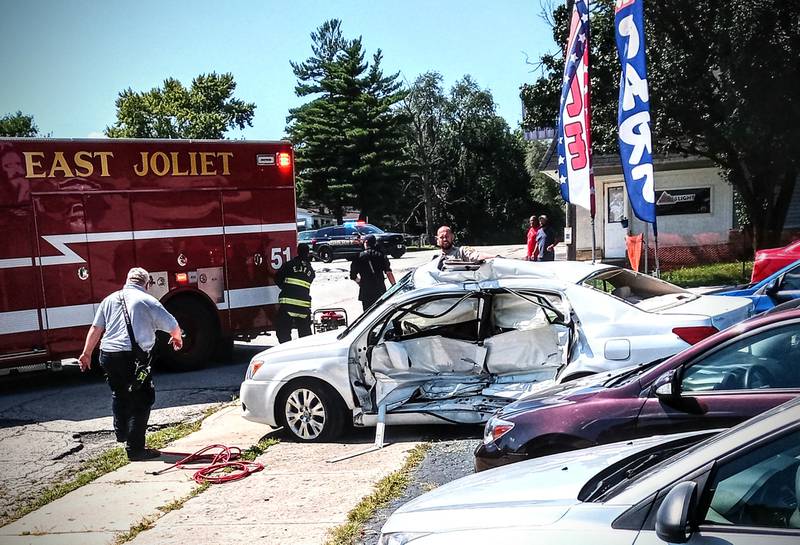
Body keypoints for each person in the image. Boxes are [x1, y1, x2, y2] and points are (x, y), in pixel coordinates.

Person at [78, 267, 183, 461]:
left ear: (127, 281)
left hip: (107, 356)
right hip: (133, 359)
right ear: (147, 284)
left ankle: (121, 431)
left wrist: (86, 354)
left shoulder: (109, 299)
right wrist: (177, 339)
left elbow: (96, 328)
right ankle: (135, 449)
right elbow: (173, 325)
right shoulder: (148, 301)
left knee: (119, 392)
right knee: (142, 400)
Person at [275, 243, 315, 343]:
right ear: (308, 253)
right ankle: (303, 352)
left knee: (282, 331)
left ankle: (287, 350)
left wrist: (285, 288)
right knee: (305, 334)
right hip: (303, 306)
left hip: (288, 304)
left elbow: (277, 278)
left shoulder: (289, 265)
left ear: (297, 251)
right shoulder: (310, 270)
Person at [350, 234, 396, 311]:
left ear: (366, 242)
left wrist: (360, 283)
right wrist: (394, 286)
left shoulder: (358, 257)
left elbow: (353, 275)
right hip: (380, 290)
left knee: (368, 315)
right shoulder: (381, 255)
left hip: (366, 291)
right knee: (381, 314)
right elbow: (388, 272)